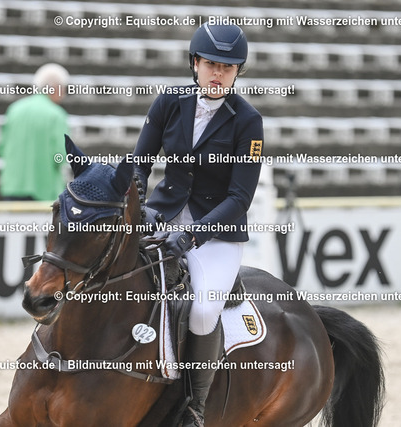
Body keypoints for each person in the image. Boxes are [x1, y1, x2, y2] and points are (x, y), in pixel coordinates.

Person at [133, 24, 264, 426]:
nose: (218, 73)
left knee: (204, 311)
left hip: (216, 235)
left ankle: (194, 407)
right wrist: (140, 205)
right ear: (194, 63)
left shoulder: (248, 121)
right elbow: (140, 164)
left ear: (238, 71)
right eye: (210, 64)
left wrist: (192, 234)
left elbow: (240, 198)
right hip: (162, 218)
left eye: (227, 67)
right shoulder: (169, 102)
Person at [0, 63, 69, 201]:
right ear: (55, 88)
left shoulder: (14, 110)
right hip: (44, 189)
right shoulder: (56, 115)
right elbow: (60, 154)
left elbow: (1, 148)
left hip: (13, 186)